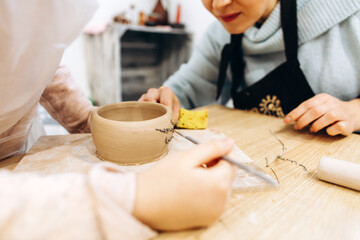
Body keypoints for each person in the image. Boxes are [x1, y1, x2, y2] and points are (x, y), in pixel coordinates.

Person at [0, 0, 236, 239]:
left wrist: (92, 121)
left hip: (13, 149)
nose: (221, 3)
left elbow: (37, 56)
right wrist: (133, 198)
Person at [140, 0, 360, 136]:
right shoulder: (221, 33)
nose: (218, 4)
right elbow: (189, 87)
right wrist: (163, 100)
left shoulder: (348, 14)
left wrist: (353, 111)